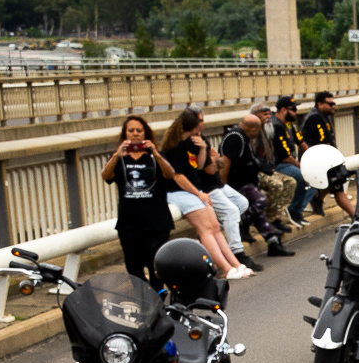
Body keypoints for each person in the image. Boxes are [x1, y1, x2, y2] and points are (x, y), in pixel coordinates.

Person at [158, 108, 249, 278]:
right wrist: (199, 194)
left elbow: (199, 166)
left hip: (195, 190)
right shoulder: (177, 145)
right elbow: (178, 176)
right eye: (199, 122)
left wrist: (202, 149)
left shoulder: (193, 141)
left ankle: (236, 264)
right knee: (206, 230)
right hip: (180, 191)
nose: (202, 125)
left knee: (215, 227)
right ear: (192, 126)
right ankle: (225, 268)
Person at [102, 113, 177, 285]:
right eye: (131, 131)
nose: (135, 134)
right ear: (125, 134)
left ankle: (157, 297)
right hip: (129, 223)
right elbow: (106, 176)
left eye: (139, 130)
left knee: (155, 266)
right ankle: (142, 295)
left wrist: (156, 153)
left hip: (156, 222)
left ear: (145, 133)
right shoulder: (119, 159)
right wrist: (117, 155)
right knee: (133, 266)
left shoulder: (155, 157)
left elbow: (170, 174)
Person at [223, 111, 295, 259]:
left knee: (258, 212)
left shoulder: (243, 137)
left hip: (248, 181)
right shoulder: (235, 137)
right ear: (253, 129)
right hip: (237, 184)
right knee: (261, 201)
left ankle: (273, 244)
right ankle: (244, 226)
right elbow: (226, 162)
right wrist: (223, 186)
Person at [301, 93, 355, 218]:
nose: (333, 106)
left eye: (333, 104)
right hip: (321, 162)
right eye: (330, 104)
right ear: (320, 104)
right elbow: (323, 143)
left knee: (337, 186)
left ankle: (318, 198)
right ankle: (354, 215)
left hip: (327, 160)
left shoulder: (324, 117)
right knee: (336, 186)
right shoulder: (315, 118)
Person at [271, 95, 314, 225]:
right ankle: (293, 209)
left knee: (316, 176)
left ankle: (297, 209)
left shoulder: (288, 124)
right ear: (283, 110)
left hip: (289, 162)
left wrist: (314, 158)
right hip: (278, 165)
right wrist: (300, 165)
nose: (296, 112)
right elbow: (285, 157)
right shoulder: (276, 126)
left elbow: (301, 142)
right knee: (302, 176)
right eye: (293, 109)